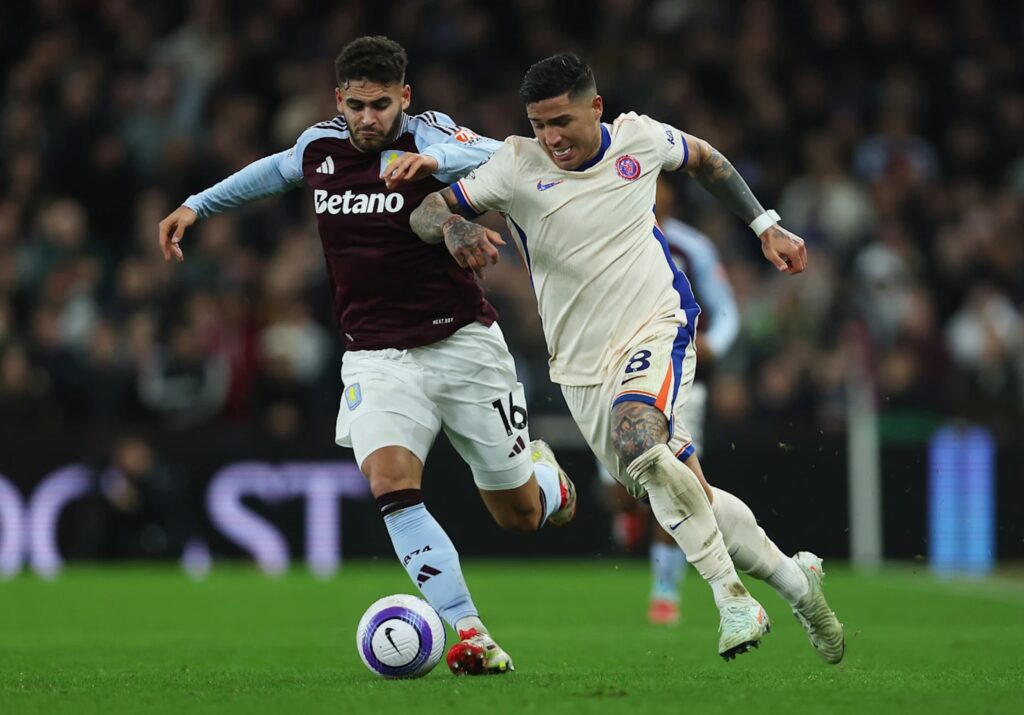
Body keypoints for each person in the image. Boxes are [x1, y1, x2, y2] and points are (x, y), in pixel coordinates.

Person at [157, 36, 576, 676]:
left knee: (519, 516)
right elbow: (271, 171)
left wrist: (441, 161)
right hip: (377, 358)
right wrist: (196, 205)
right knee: (389, 485)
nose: (368, 118)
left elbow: (505, 160)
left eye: (381, 105)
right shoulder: (319, 148)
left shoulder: (430, 137)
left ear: (404, 98)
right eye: (357, 105)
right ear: (339, 100)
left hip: (462, 344)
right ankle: (471, 633)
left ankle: (548, 480)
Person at [410, 53, 843, 663]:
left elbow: (709, 161)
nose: (551, 137)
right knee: (682, 489)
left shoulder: (638, 138)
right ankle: (801, 587)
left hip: (658, 324)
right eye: (538, 124)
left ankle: (732, 599)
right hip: (580, 366)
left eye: (561, 120)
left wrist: (765, 223)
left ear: (595, 107)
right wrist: (453, 230)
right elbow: (426, 209)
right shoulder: (514, 166)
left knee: (640, 439)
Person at [600, 175, 741, 627]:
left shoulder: (691, 247)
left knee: (670, 477)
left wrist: (715, 342)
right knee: (618, 484)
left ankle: (664, 591)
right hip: (616, 372)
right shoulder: (607, 236)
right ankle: (628, 515)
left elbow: (726, 308)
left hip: (679, 373)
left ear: (670, 195)